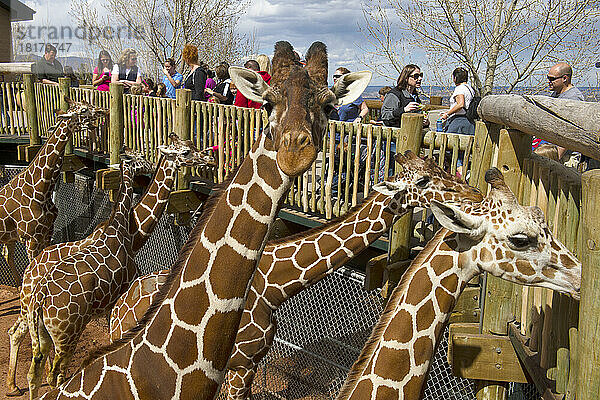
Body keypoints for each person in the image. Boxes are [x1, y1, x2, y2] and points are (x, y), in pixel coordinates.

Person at [440, 67, 475, 135]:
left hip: (459, 122)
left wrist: (447, 114)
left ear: (455, 78)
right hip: (469, 121)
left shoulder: (459, 88)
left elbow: (460, 104)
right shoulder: (470, 89)